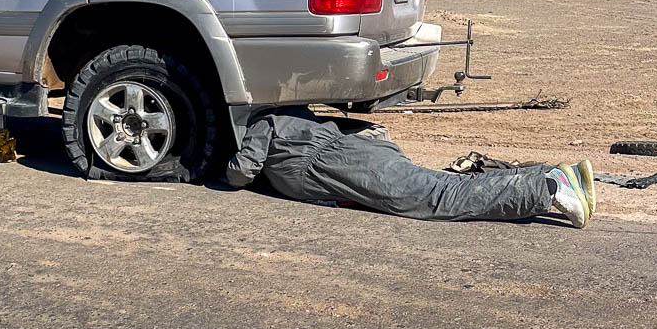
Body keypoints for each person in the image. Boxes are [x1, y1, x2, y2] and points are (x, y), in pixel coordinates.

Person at [226, 107, 596, 227]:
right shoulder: (291, 114)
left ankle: (548, 188)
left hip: (345, 161)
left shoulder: (262, 122)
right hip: (356, 153)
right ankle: (553, 174)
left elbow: (241, 171)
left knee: (437, 197)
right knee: (437, 186)